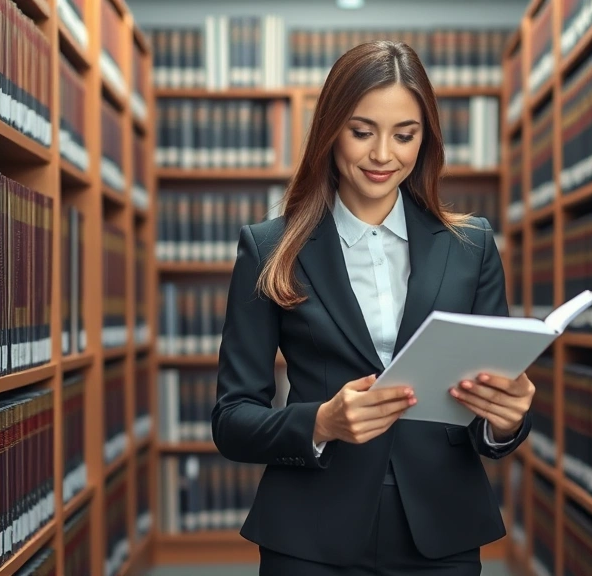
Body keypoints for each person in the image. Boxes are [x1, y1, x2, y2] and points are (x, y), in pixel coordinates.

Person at [212, 39, 536, 576]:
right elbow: (232, 419)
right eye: (362, 132)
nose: (383, 154)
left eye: (404, 135)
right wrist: (320, 422)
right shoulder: (270, 248)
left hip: (442, 530)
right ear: (330, 131)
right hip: (310, 534)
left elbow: (486, 415)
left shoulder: (471, 246)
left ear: (425, 140)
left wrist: (505, 421)